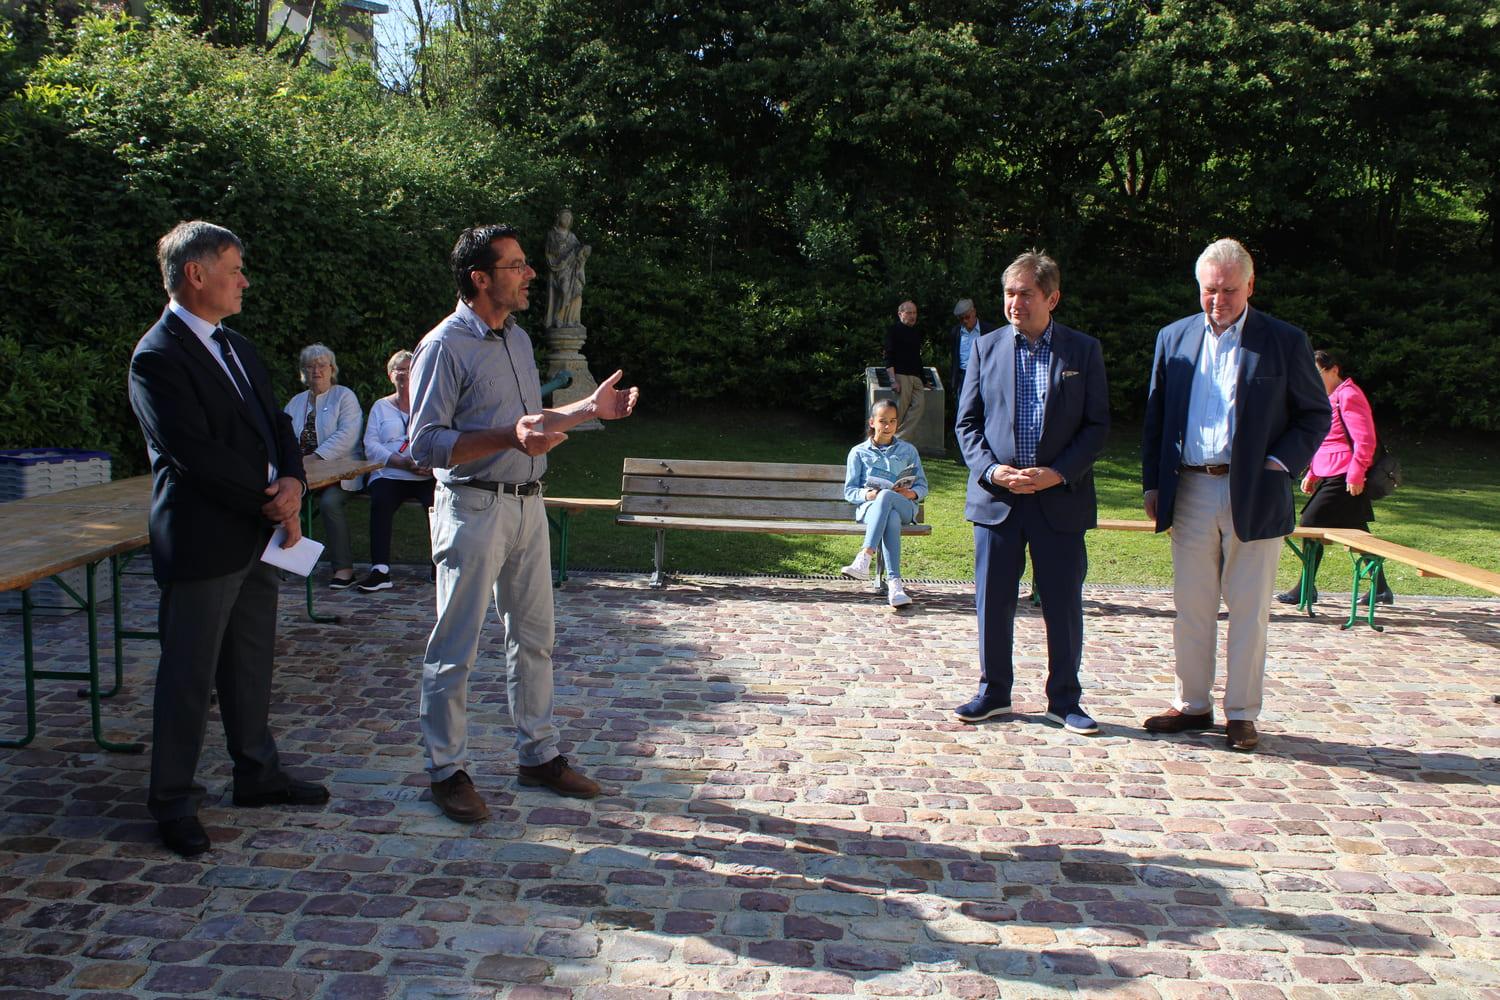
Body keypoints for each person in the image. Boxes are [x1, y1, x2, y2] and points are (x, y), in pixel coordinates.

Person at [409, 223, 638, 824]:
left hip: (527, 504)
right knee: (454, 647)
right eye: (515, 266)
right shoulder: (443, 346)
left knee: (534, 640)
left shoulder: (514, 340)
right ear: (480, 278)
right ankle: (447, 771)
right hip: (472, 506)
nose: (529, 273)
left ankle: (537, 755)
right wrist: (504, 437)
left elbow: (530, 420)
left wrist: (589, 409)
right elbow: (425, 443)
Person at [128, 221, 329, 858]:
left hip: (257, 531)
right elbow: (193, 452)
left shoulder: (237, 346)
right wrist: (274, 491)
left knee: (249, 663)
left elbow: (275, 425)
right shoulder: (157, 356)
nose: (245, 280)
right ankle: (173, 802)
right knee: (188, 676)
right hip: (204, 536)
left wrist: (293, 481)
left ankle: (257, 775)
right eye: (235, 267)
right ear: (196, 273)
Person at [1141, 238, 1330, 752]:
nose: (1218, 300)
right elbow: (1156, 417)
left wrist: (1280, 464)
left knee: (1250, 608)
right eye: (1209, 290)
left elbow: (1316, 414)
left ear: (1250, 285)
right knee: (1192, 605)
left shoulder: (1283, 340)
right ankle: (1192, 703)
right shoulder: (1173, 338)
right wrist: (1153, 483)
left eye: (1228, 290)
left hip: (1256, 490)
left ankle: (1242, 712)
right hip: (1191, 486)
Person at [953, 251, 1110, 735]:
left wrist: (1058, 473)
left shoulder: (1083, 352)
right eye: (1009, 293)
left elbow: (1097, 425)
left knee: (1062, 603)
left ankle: (1065, 699)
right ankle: (993, 691)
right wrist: (993, 470)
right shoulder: (986, 348)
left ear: (1052, 297)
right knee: (992, 600)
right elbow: (967, 423)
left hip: (1059, 500)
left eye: (1025, 293)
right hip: (998, 501)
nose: (1015, 302)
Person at [1275, 349, 1393, 607]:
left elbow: (1365, 440)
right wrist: (1313, 472)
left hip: (1345, 474)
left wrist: (1356, 473)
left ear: (1334, 370)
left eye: (1318, 373)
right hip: (1330, 472)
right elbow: (1324, 440)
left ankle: (1305, 588)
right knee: (1356, 531)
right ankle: (1381, 588)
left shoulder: (1349, 395)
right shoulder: (1327, 398)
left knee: (1309, 522)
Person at [284, 344, 363, 589]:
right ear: (303, 372)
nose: (316, 371)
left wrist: (314, 457)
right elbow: (283, 435)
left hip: (341, 472)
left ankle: (344, 569)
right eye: (310, 366)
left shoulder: (344, 396)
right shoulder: (296, 402)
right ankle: (284, 563)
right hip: (303, 474)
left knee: (329, 504)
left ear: (332, 369)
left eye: (321, 365)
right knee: (281, 499)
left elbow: (347, 435)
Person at [357, 349, 435, 592]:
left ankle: (440, 566)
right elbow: (370, 445)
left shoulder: (430, 405)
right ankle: (380, 570)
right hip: (390, 472)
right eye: (398, 369)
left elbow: (442, 438)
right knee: (381, 501)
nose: (404, 374)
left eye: (409, 369)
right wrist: (400, 462)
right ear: (391, 375)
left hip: (425, 474)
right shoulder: (381, 407)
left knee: (439, 505)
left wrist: (433, 465)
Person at [840, 399, 930, 608]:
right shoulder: (858, 452)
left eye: (892, 421)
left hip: (904, 505)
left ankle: (865, 556)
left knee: (888, 498)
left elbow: (923, 486)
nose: (887, 426)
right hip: (872, 509)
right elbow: (850, 491)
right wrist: (868, 494)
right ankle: (895, 585)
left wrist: (911, 493)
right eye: (882, 421)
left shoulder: (908, 451)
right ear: (872, 422)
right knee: (890, 515)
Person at [884, 300, 926, 438]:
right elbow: (889, 356)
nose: (912, 316)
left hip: (916, 378)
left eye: (914, 313)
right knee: (899, 412)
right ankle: (889, 440)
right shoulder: (893, 331)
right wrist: (893, 380)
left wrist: (924, 380)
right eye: (909, 313)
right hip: (901, 377)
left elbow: (917, 358)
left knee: (919, 407)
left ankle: (898, 439)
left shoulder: (916, 332)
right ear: (900, 314)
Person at [545, 207, 589, 329]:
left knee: (577, 293)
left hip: (573, 271)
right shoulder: (552, 234)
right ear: (559, 218)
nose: (567, 220)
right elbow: (550, 252)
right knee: (564, 291)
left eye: (570, 218)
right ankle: (558, 317)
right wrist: (563, 254)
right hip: (559, 270)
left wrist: (583, 252)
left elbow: (579, 252)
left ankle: (571, 320)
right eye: (565, 217)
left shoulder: (572, 236)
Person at [949, 297, 994, 401]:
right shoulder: (956, 332)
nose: (964, 321)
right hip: (962, 376)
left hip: (983, 375)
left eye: (967, 317)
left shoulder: (988, 330)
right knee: (963, 410)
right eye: (961, 319)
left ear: (974, 312)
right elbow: (954, 358)